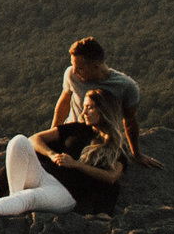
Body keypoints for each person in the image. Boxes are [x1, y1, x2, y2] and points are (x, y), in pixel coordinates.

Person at [0, 92, 130, 219]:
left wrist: (76, 165)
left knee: (29, 198)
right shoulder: (77, 128)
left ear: (104, 110)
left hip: (65, 193)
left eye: (89, 108)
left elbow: (111, 177)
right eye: (83, 107)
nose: (83, 112)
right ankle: (11, 201)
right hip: (43, 173)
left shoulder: (115, 148)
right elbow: (35, 139)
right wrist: (51, 154)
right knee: (19, 141)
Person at [53, 36, 162, 169]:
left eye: (80, 68)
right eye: (73, 65)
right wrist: (53, 134)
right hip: (71, 135)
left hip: (101, 142)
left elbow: (130, 121)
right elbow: (64, 104)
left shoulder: (126, 87)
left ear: (95, 67)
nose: (74, 71)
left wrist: (136, 154)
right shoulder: (71, 75)